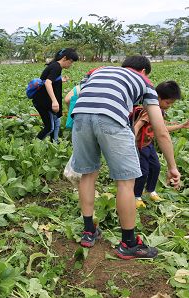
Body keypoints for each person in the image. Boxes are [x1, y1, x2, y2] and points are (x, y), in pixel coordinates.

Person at [70, 56, 181, 259]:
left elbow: (76, 96)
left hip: (80, 117)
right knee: (125, 183)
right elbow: (160, 129)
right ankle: (128, 244)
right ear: (145, 72)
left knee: (88, 174)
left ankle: (88, 232)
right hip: (111, 119)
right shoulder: (145, 83)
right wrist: (172, 166)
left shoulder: (97, 71)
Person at [133, 81, 189, 208]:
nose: (169, 106)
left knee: (156, 167)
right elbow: (137, 125)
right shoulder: (149, 111)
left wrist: (181, 126)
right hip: (140, 145)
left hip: (149, 145)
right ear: (157, 97)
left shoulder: (160, 112)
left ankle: (151, 190)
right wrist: (132, 142)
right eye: (167, 102)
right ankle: (136, 195)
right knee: (143, 171)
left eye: (171, 103)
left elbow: (162, 129)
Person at [32, 48, 78, 142]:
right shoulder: (56, 67)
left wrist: (61, 80)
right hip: (43, 102)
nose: (71, 64)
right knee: (49, 127)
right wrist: (54, 101)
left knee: (57, 121)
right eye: (71, 61)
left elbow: (49, 79)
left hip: (43, 100)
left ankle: (54, 143)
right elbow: (48, 83)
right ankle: (34, 144)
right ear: (64, 58)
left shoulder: (55, 65)